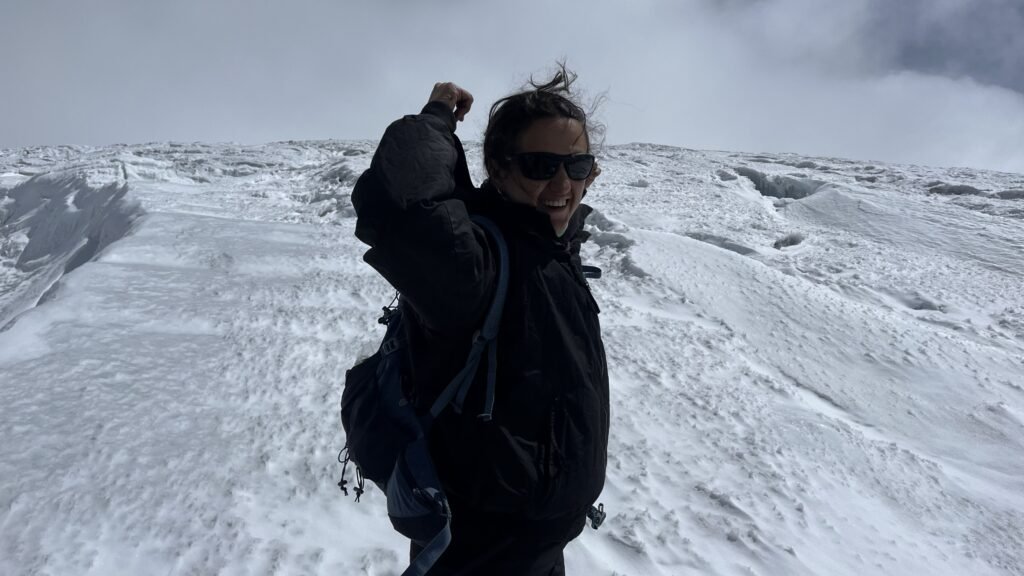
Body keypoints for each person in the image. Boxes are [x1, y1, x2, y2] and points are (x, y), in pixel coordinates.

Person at [351, 66, 609, 575]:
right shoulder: (476, 262)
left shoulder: (550, 250)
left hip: (541, 541)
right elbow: (404, 205)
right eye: (541, 165)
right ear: (500, 166)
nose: (563, 183)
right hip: (482, 546)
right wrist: (434, 120)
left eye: (578, 165)